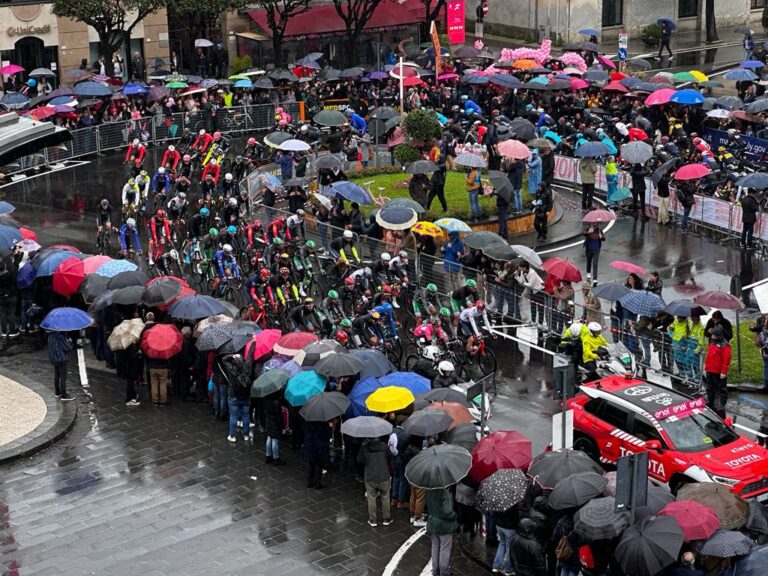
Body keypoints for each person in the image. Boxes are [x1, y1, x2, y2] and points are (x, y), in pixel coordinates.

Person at [357, 436, 392, 527]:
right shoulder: (384, 446)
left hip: (370, 477)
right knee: (385, 496)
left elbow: (359, 460)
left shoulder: (365, 448)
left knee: (371, 498)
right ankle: (386, 518)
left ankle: (372, 520)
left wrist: (362, 447)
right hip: (383, 476)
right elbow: (390, 458)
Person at [426, 487, 457, 576]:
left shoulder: (429, 491)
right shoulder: (445, 493)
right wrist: (455, 515)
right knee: (445, 549)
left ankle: (435, 571)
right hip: (445, 526)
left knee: (435, 547)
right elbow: (447, 512)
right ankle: (444, 572)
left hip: (433, 523)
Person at [222, 354, 252, 443]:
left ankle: (232, 435)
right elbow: (250, 356)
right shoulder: (247, 367)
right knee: (246, 415)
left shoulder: (231, 369)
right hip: (245, 395)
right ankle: (246, 435)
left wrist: (232, 356)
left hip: (233, 395)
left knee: (233, 416)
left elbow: (224, 358)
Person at [704, 325, 731, 418]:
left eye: (714, 335)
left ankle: (722, 405)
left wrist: (724, 371)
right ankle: (710, 401)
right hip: (710, 370)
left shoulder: (725, 345)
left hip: (718, 372)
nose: (712, 336)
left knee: (722, 389)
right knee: (709, 387)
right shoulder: (712, 342)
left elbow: (726, 359)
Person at [48, 330, 74, 401]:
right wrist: (70, 341)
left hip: (54, 359)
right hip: (61, 359)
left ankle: (57, 392)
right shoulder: (60, 337)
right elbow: (68, 347)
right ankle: (64, 395)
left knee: (57, 375)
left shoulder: (51, 336)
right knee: (63, 377)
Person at [264, 390, 285, 464]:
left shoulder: (266, 396)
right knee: (275, 439)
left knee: (269, 437)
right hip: (275, 422)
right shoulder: (276, 401)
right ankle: (276, 458)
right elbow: (278, 416)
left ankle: (268, 456)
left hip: (268, 420)